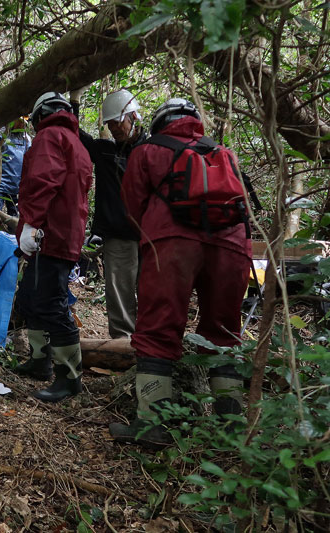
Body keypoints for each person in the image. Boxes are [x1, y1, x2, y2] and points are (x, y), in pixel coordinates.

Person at [109, 98, 251, 447]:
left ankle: (154, 425)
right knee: (224, 332)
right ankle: (232, 429)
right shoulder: (224, 153)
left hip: (172, 244)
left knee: (158, 329)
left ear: (159, 122)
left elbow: (133, 205)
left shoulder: (147, 151)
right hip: (232, 247)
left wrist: (157, 234)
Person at [13, 92, 92, 402]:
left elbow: (42, 181)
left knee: (52, 304)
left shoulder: (50, 136)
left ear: (39, 115)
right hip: (63, 234)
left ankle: (69, 378)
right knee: (34, 297)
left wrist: (31, 222)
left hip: (50, 234)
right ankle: (39, 360)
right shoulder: (75, 142)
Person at [70, 88, 145, 339]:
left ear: (133, 117)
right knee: (120, 296)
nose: (113, 128)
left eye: (117, 122)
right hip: (119, 236)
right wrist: (75, 100)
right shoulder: (105, 152)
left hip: (152, 237)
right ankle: (123, 347)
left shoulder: (154, 150)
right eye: (109, 124)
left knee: (153, 294)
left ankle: (151, 345)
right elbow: (74, 134)